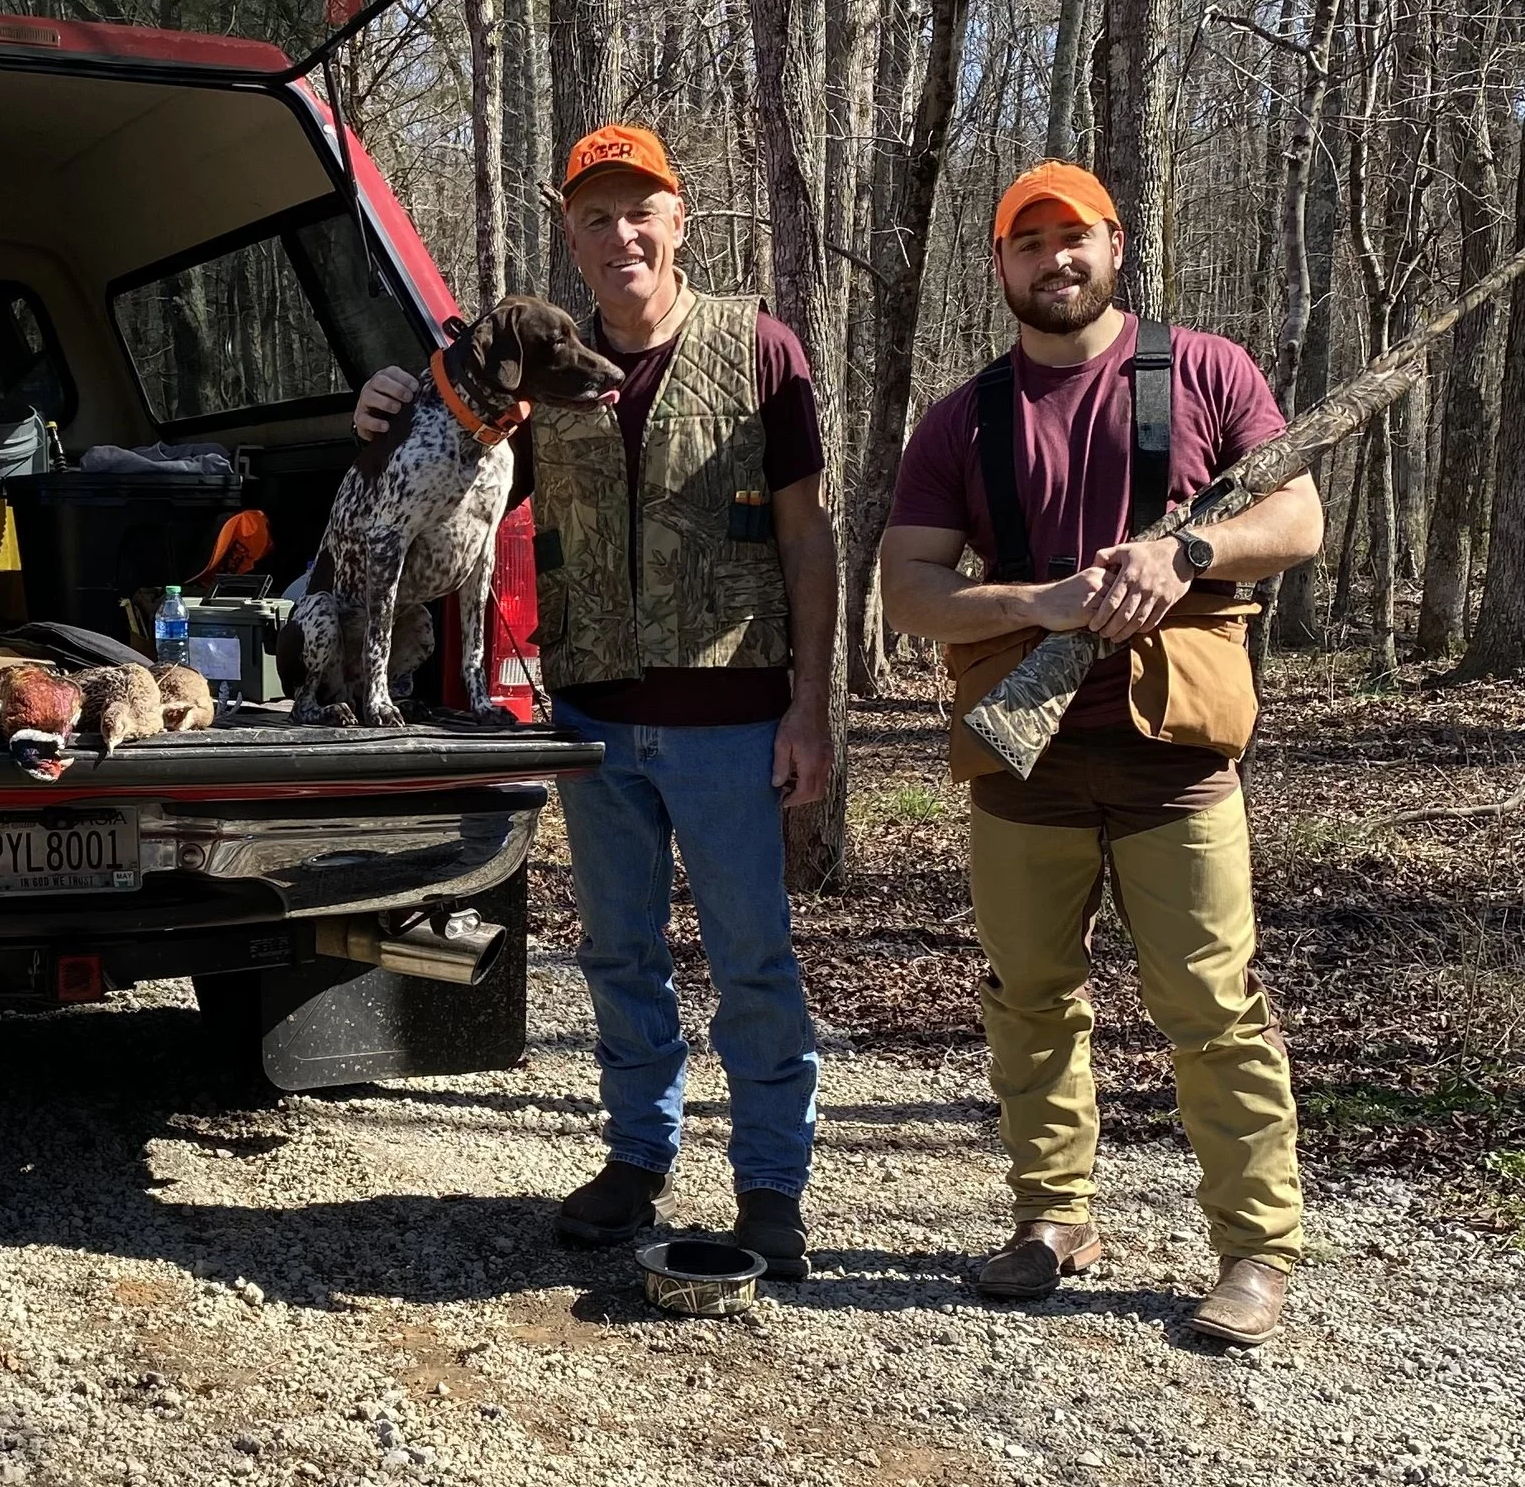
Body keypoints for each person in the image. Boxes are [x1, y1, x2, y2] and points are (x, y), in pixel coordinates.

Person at [354, 125, 835, 1273]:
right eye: (594, 215)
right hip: (593, 722)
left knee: (753, 957)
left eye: (639, 209)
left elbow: (808, 532)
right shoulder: (534, 364)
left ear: (678, 221)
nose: (619, 232)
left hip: (731, 714)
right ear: (570, 237)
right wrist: (379, 393)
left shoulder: (759, 347)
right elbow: (430, 426)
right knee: (619, 954)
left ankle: (770, 1186)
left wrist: (813, 705)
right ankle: (637, 1157)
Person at [878, 161, 1323, 1346]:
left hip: (1176, 757)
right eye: (1029, 243)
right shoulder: (962, 418)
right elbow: (911, 590)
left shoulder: (1208, 373)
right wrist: (1042, 602)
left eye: (1074, 237)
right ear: (1001, 265)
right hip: (1021, 761)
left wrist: (1190, 554)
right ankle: (1053, 1218)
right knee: (1027, 997)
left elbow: (1298, 519)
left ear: (1114, 245)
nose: (1053, 259)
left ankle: (1252, 1252)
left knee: (1211, 1005)